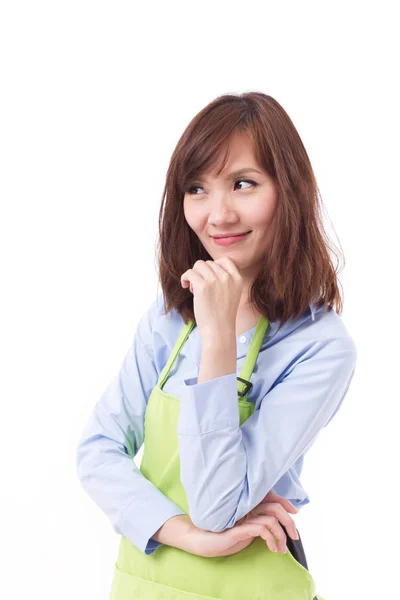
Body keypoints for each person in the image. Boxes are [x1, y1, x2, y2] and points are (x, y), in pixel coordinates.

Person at [76, 91, 357, 599]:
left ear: (289, 191)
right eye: (197, 188)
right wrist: (185, 535)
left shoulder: (319, 348)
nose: (218, 214)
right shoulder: (166, 320)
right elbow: (97, 452)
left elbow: (217, 506)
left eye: (243, 184)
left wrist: (219, 337)